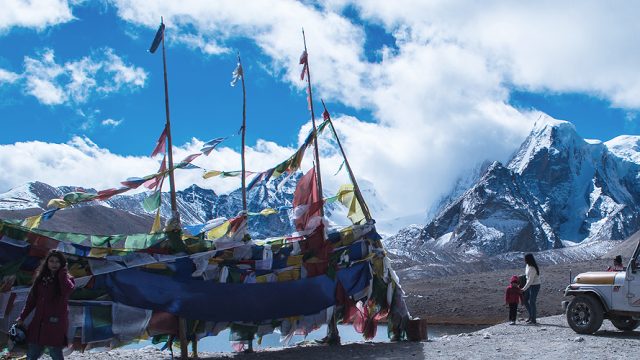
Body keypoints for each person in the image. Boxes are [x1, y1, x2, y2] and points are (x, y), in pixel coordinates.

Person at [16, 250, 75, 360]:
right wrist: (22, 317)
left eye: (57, 262)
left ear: (62, 264)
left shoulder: (67, 279)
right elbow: (31, 301)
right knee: (32, 352)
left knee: (55, 352)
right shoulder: (41, 279)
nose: (54, 264)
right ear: (47, 263)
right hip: (38, 322)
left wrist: (62, 274)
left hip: (55, 323)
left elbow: (67, 290)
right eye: (51, 261)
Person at [521, 253, 540, 325]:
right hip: (530, 285)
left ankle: (533, 319)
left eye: (525, 259)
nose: (524, 260)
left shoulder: (532, 268)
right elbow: (527, 277)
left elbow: (530, 280)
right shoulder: (527, 266)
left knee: (532, 301)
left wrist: (523, 289)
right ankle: (531, 316)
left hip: (535, 285)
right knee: (525, 300)